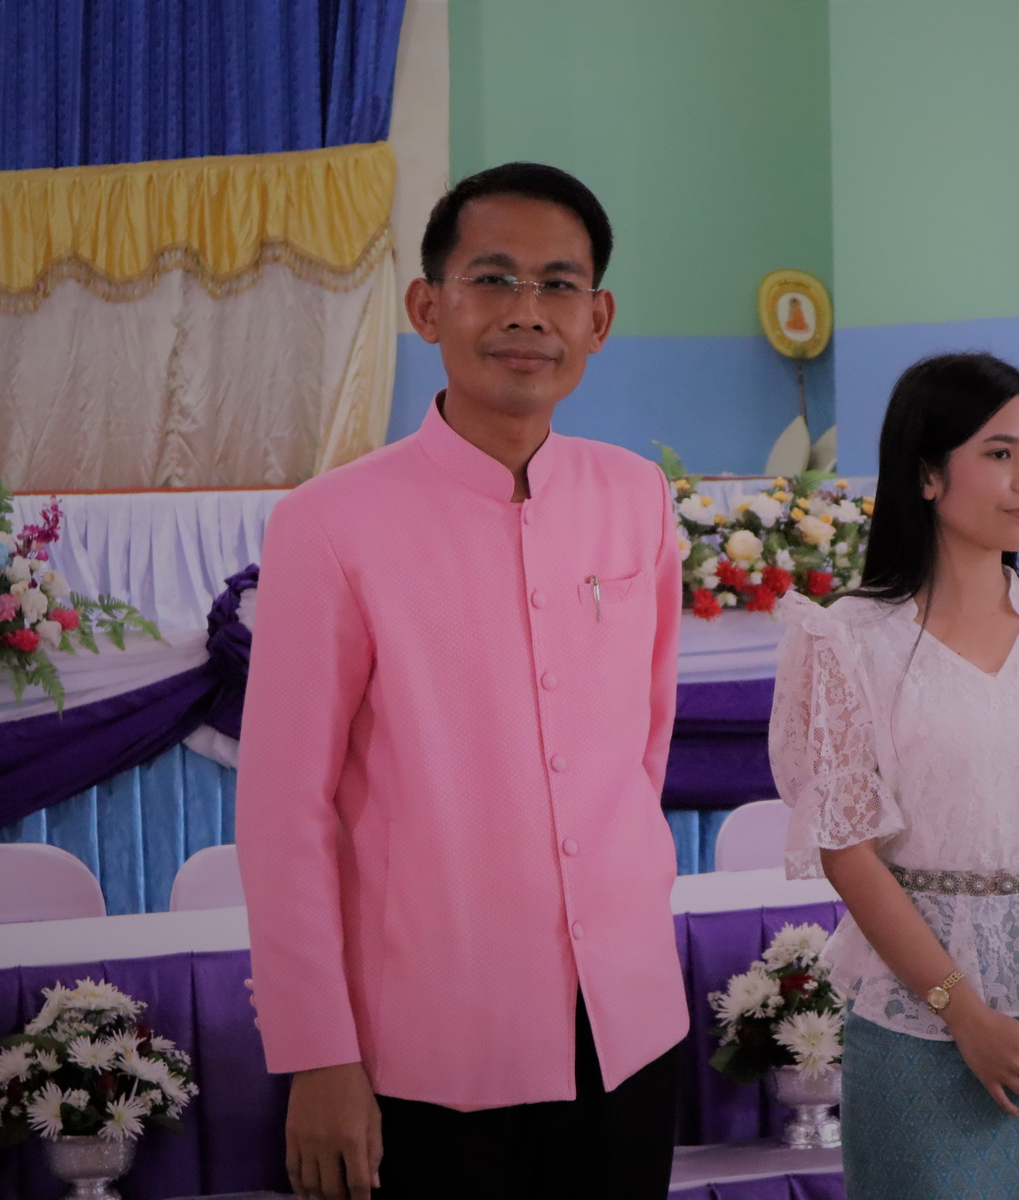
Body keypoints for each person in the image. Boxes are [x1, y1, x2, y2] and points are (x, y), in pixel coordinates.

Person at [235, 162, 687, 1200]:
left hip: (626, 1026)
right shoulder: (331, 524)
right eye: (493, 279)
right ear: (427, 306)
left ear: (598, 318)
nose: (528, 313)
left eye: (559, 285)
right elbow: (284, 809)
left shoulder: (637, 495)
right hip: (427, 1044)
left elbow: (646, 743)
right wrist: (318, 1052)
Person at [767, 353, 1019, 1200]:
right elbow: (849, 851)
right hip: (917, 1027)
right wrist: (964, 1015)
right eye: (999, 454)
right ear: (926, 474)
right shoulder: (849, 640)